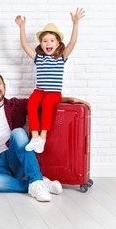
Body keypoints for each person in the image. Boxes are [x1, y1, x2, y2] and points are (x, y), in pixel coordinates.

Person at [0, 72, 90, 201]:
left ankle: (36, 180)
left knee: (18, 133)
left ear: (4, 86)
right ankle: (39, 184)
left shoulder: (14, 105)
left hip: (14, 157)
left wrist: (70, 99)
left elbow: (40, 102)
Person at [15, 8, 85, 153]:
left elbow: (72, 43)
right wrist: (22, 27)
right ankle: (35, 137)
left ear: (58, 43)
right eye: (45, 41)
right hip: (40, 91)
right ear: (41, 44)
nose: (48, 43)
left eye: (52, 40)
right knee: (32, 102)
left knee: (47, 104)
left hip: (53, 93)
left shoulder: (61, 58)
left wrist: (75, 23)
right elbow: (24, 46)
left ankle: (43, 136)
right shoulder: (38, 58)